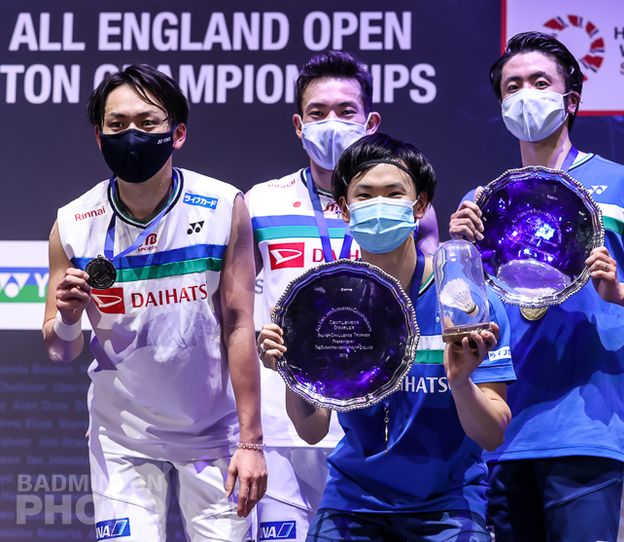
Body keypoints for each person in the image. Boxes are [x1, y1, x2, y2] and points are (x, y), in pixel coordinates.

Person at [450, 31, 624, 541]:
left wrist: (620, 292)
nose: (525, 94)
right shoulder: (482, 202)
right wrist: (458, 257)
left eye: (540, 82)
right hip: (502, 431)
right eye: (512, 86)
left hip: (587, 431)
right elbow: (463, 316)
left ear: (571, 100)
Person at [42, 64, 266, 542]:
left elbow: (239, 324)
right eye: (117, 125)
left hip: (214, 433)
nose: (132, 135)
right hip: (121, 437)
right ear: (100, 138)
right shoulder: (73, 223)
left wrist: (252, 441)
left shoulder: (224, 207)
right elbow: (61, 349)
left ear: (177, 133)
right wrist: (66, 319)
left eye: (148, 123)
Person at [259, 132, 516, 541]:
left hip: (447, 508)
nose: (379, 204)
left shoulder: (468, 302)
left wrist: (461, 382)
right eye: (364, 195)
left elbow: (492, 432)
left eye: (394, 193)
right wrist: (294, 373)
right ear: (344, 208)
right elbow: (312, 429)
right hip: (352, 504)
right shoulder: (323, 303)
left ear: (420, 206)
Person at [245, 50, 439, 541]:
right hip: (285, 426)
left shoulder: (405, 207)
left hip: (376, 423)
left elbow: (428, 308)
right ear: (297, 124)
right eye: (317, 113)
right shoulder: (258, 203)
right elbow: (233, 318)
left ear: (370, 120)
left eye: (346, 111)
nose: (331, 123)